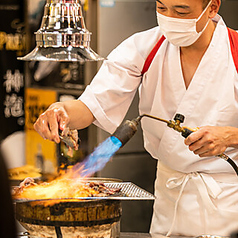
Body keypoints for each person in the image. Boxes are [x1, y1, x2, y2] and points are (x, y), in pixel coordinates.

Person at [34, 0, 238, 236]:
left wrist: (230, 136)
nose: (170, 18)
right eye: (161, 8)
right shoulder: (145, 47)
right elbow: (91, 106)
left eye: (181, 10)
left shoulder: (234, 50)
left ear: (212, 7)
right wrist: (61, 111)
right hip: (170, 201)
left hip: (227, 203)